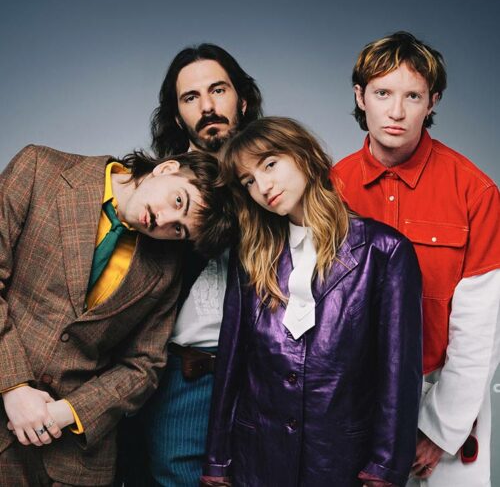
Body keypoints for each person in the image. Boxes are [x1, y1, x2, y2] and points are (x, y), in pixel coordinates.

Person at [201, 117, 423, 486]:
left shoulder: (384, 252)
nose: (263, 187)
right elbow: (231, 361)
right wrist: (216, 460)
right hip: (257, 458)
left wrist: (385, 468)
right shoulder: (251, 256)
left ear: (304, 154)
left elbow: (398, 372)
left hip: (340, 459)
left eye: (270, 164)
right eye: (249, 181)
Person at [0, 144, 233, 486]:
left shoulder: (167, 266)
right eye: (178, 201)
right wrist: (15, 386)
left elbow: (144, 365)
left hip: (76, 458)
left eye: (179, 230)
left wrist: (68, 412)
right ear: (167, 168)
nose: (165, 221)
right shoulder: (39, 169)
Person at [332, 31, 500, 487]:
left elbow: (481, 327)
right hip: (354, 394)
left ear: (432, 102)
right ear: (360, 96)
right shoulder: (331, 188)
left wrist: (441, 429)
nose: (396, 111)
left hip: (444, 388)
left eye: (413, 96)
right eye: (383, 93)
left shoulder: (476, 191)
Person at [117, 43, 263, 486]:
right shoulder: (157, 191)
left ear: (242, 99)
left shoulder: (275, 178)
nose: (208, 107)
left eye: (218, 90)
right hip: (167, 372)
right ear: (178, 117)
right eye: (191, 97)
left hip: (257, 374)